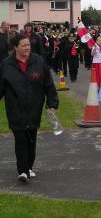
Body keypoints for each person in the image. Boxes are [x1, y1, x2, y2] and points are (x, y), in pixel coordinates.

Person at [0, 34, 59, 182]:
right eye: (24, 45)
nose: (27, 47)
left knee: (31, 139)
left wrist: (52, 104)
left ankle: (29, 167)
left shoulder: (38, 61)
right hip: (15, 108)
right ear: (15, 47)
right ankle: (23, 171)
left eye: (28, 45)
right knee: (20, 139)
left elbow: (49, 85)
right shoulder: (6, 64)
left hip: (34, 107)